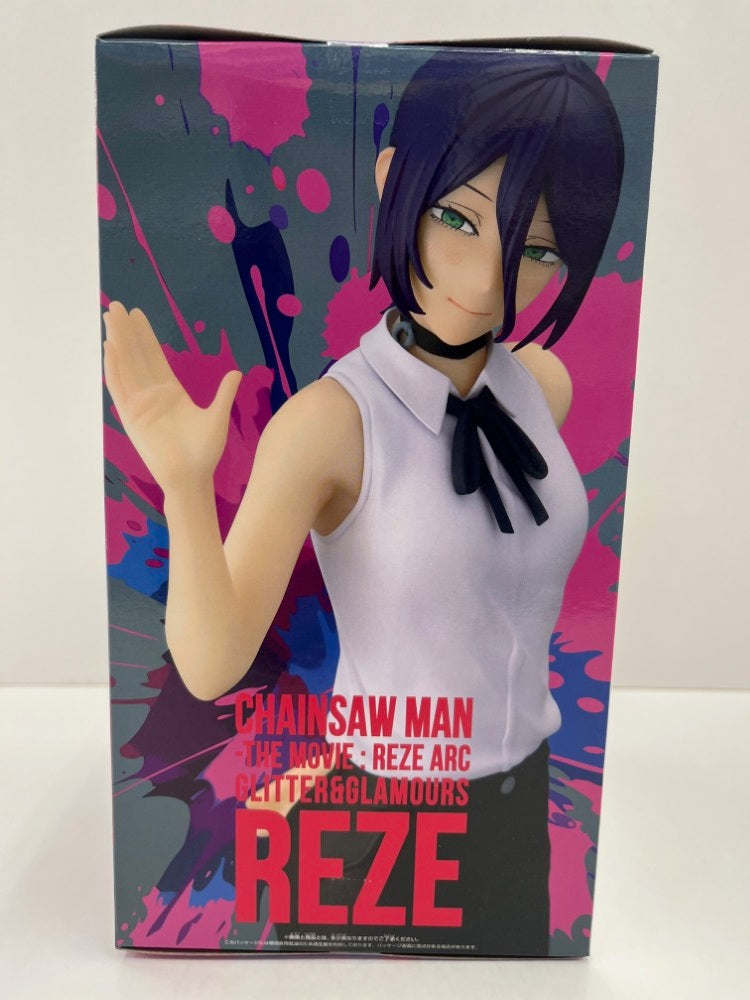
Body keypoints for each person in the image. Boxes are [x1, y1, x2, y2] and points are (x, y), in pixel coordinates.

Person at [103, 50, 623, 955]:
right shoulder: (332, 423)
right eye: (457, 217)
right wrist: (185, 484)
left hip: (523, 799)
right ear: (393, 183)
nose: (484, 280)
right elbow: (213, 665)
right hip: (388, 810)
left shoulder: (543, 385)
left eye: (537, 249)